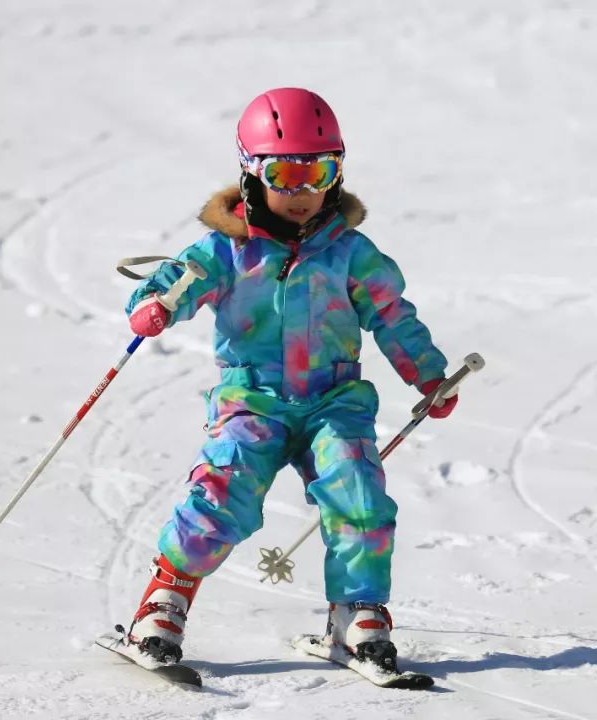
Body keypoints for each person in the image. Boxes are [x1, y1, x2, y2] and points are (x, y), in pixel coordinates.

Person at [122, 87, 458, 673]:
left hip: (334, 399)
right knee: (227, 488)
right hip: (253, 397)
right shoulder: (228, 249)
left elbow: (391, 314)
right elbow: (179, 281)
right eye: (285, 173)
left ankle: (356, 613)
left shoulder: (350, 253)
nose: (303, 191)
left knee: (358, 491)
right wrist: (155, 304)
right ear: (252, 172)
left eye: (320, 172)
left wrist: (428, 374)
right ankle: (166, 598)